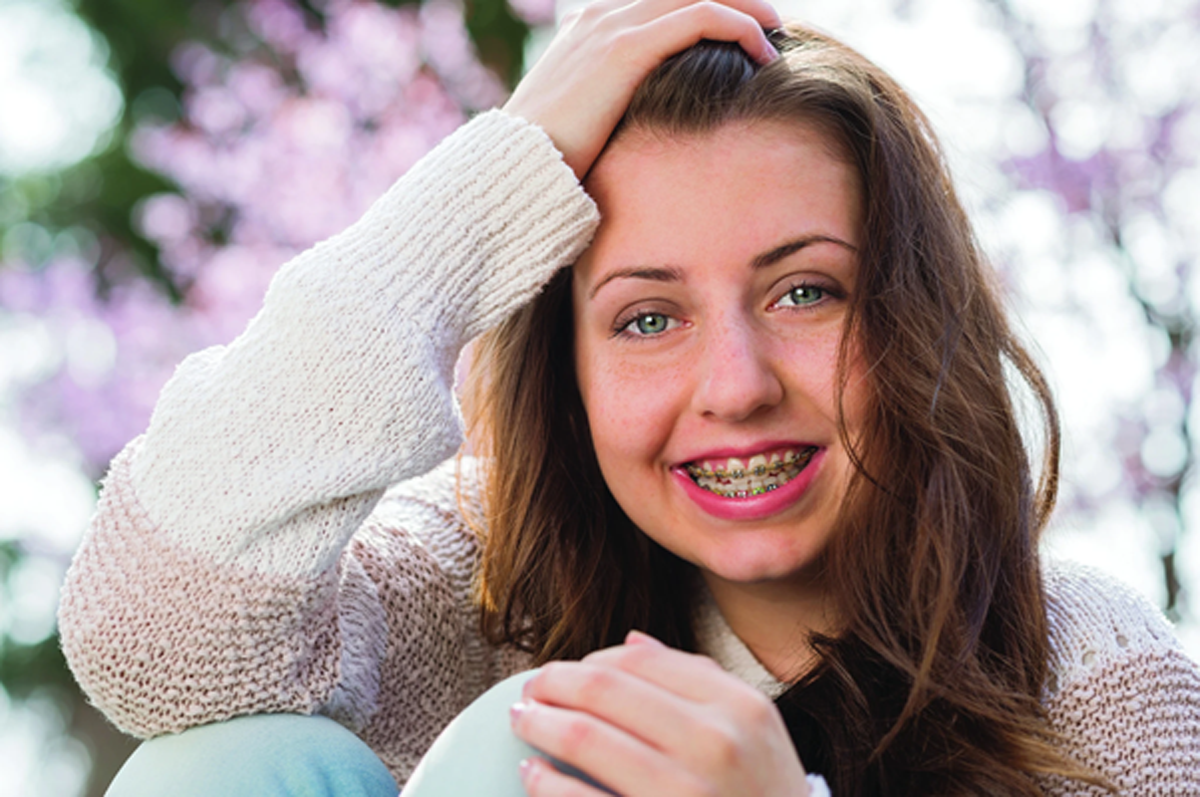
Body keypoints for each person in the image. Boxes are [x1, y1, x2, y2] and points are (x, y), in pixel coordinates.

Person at [60, 1, 1200, 795]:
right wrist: (495, 177)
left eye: (806, 292)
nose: (737, 387)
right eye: (648, 318)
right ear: (572, 370)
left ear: (914, 320)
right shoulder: (476, 579)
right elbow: (151, 641)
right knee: (222, 765)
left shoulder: (1101, 686)